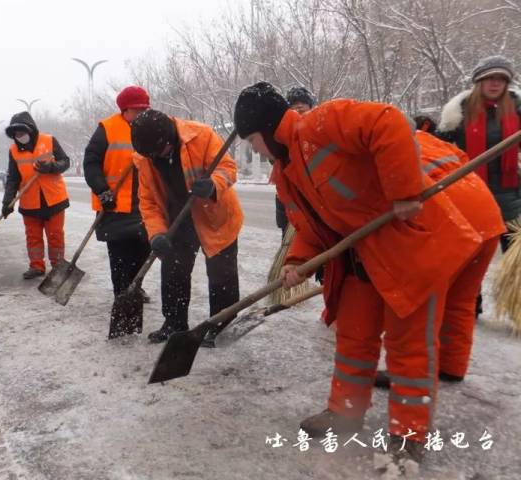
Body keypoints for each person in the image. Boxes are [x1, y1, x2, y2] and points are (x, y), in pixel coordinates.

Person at [234, 82, 482, 467]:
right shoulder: (286, 171)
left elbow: (390, 123)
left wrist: (403, 191)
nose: (253, 148)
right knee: (353, 336)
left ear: (266, 128)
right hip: (359, 257)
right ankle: (344, 413)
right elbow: (309, 225)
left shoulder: (323, 123)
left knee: (409, 346)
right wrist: (296, 261)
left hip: (407, 248)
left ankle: (408, 434)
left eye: (252, 139)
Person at [374, 130, 505, 390]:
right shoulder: (423, 136)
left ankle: (409, 373)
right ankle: (452, 367)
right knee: (461, 299)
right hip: (486, 213)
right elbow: (463, 157)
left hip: (450, 215)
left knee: (423, 303)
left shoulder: (380, 149)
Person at [130, 109, 243, 347]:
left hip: (214, 215)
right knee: (173, 270)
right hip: (177, 220)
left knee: (221, 273)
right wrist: (157, 234)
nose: (155, 158)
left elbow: (228, 168)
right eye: (150, 155)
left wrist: (213, 184)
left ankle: (221, 325)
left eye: (158, 152)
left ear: (168, 138)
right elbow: (148, 202)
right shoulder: (146, 158)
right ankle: (174, 322)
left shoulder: (201, 135)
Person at [437, 55, 521, 252]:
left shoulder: (517, 109)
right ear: (479, 82)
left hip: (511, 193)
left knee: (515, 261)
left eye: (501, 79)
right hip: (472, 194)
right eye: (489, 78)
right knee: (473, 258)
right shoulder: (459, 111)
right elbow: (437, 148)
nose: (495, 83)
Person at [83, 86, 152, 314]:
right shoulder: (107, 128)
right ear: (125, 109)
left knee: (143, 250)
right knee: (120, 256)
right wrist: (102, 190)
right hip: (115, 205)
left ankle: (135, 286)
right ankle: (121, 294)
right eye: (137, 110)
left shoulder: (150, 126)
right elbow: (91, 162)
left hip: (144, 203)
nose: (142, 113)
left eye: (144, 109)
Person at [2, 111, 70, 279]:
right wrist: (7, 201)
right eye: (16, 134)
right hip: (29, 200)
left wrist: (51, 167)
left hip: (53, 199)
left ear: (30, 130)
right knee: (33, 237)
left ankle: (58, 265)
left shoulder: (48, 140)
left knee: (55, 236)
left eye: (22, 132)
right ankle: (36, 266)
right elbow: (13, 178)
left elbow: (65, 162)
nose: (19, 136)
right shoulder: (13, 151)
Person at [275, 86, 318, 234]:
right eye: (294, 104)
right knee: (289, 243)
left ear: (311, 106)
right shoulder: (280, 134)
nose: (299, 106)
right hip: (288, 200)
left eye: (303, 102)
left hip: (314, 197)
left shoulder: (319, 129)